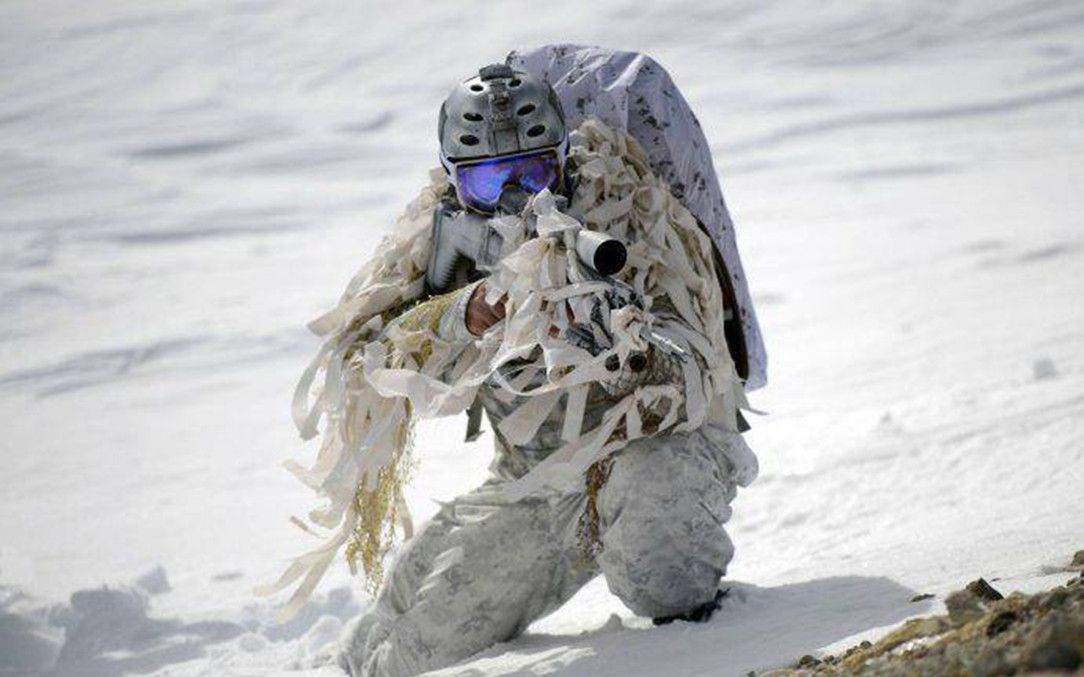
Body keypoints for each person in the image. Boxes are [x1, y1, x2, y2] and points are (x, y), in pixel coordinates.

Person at [332, 57, 761, 677]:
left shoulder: (634, 216)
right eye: (488, 182)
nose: (514, 196)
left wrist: (622, 346)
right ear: (455, 184)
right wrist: (463, 314)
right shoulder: (439, 236)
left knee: (658, 561)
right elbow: (364, 357)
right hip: (535, 482)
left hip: (657, 453)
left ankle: (710, 648)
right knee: (412, 648)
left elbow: (703, 372)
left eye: (534, 172)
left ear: (563, 161)